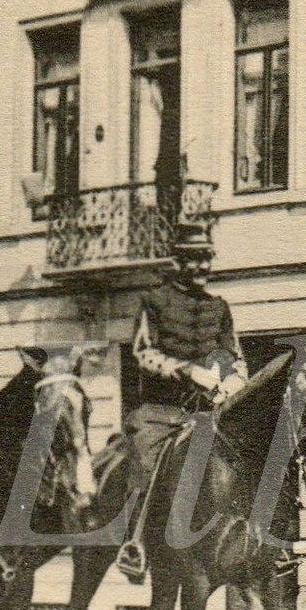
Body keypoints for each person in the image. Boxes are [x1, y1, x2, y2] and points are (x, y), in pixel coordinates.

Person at [115, 221, 245, 584]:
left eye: (206, 258)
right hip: (160, 412)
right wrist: (185, 370)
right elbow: (143, 352)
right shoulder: (154, 301)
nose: (202, 267)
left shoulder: (220, 307)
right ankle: (135, 545)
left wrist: (233, 379)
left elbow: (234, 355)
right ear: (177, 262)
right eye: (193, 260)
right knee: (145, 461)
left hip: (208, 412)